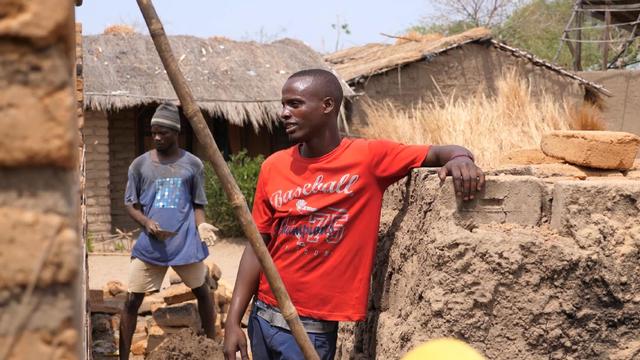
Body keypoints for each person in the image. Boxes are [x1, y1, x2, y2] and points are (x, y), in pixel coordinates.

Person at [223, 69, 485, 360]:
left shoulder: (368, 158)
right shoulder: (274, 167)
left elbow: (439, 152)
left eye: (295, 104)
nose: (284, 113)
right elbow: (257, 244)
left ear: (327, 106)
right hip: (263, 318)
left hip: (310, 330)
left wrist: (461, 158)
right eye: (283, 104)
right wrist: (233, 321)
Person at [119, 103, 218, 360]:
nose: (157, 137)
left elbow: (198, 203)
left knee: (203, 292)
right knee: (131, 300)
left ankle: (212, 347)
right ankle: (123, 356)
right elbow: (130, 203)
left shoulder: (193, 164)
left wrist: (201, 225)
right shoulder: (139, 165)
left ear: (177, 132)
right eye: (154, 132)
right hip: (151, 244)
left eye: (163, 132)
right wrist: (146, 222)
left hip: (185, 242)